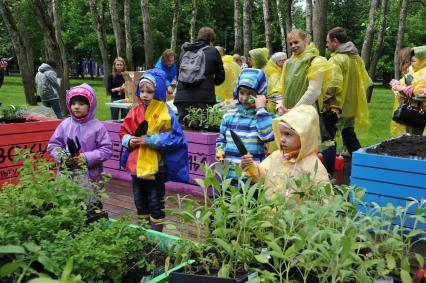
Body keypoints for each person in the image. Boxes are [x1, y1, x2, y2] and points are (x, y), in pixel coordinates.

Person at [119, 68, 189, 232]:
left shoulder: (165, 112)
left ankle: (156, 235)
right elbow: (123, 131)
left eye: (149, 91)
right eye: (142, 90)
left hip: (156, 167)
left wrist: (150, 140)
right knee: (139, 200)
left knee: (155, 201)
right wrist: (129, 140)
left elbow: (176, 137)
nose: (144, 95)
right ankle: (143, 232)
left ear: (157, 91)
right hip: (136, 166)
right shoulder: (134, 111)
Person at [240, 105, 329, 203]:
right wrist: (250, 167)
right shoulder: (277, 156)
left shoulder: (312, 165)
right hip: (269, 215)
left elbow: (325, 197)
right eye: (280, 133)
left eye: (287, 134)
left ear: (304, 136)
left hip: (294, 217)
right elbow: (261, 176)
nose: (282, 139)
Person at [47, 84, 113, 206]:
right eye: (73, 104)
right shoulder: (65, 124)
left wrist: (87, 157)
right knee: (67, 205)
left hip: (90, 176)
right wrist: (63, 157)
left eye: (81, 104)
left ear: (90, 106)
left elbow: (107, 149)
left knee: (90, 207)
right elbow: (53, 145)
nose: (76, 107)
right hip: (67, 175)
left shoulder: (98, 127)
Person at [322, 27, 372, 176]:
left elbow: (333, 85)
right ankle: (364, 167)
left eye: (328, 42)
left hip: (336, 106)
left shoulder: (337, 59)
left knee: (328, 139)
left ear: (335, 41)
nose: (327, 45)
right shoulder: (355, 58)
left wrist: (323, 98)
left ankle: (327, 173)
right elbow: (364, 79)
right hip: (351, 105)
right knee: (349, 136)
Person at [216, 68, 274, 184]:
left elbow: (267, 137)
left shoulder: (264, 117)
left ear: (260, 95)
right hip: (229, 176)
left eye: (251, 94)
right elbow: (221, 140)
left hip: (252, 177)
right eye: (241, 93)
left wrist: (261, 109)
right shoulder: (228, 116)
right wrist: (221, 163)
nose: (245, 98)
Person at [272, 29, 332, 114]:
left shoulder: (316, 61)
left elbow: (314, 91)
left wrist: (294, 110)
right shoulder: (288, 63)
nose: (293, 46)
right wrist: (279, 106)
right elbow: (279, 88)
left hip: (306, 115)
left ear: (305, 40)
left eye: (296, 42)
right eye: (290, 44)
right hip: (287, 114)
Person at [174, 26, 225, 124]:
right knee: (200, 131)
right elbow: (220, 78)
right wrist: (210, 81)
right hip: (203, 99)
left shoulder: (184, 51)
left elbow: (178, 76)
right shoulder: (213, 51)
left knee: (184, 131)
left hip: (182, 99)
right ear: (210, 40)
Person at [390, 45, 426, 135]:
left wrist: (401, 88)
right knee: (411, 136)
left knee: (415, 138)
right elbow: (405, 83)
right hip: (413, 109)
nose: (412, 63)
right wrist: (396, 84)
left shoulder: (422, 73)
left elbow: (418, 91)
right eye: (411, 61)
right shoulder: (416, 72)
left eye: (414, 61)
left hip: (418, 111)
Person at [389, 47, 416, 137]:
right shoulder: (417, 71)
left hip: (407, 114)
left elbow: (406, 93)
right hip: (413, 113)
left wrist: (395, 87)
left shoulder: (410, 73)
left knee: (406, 139)